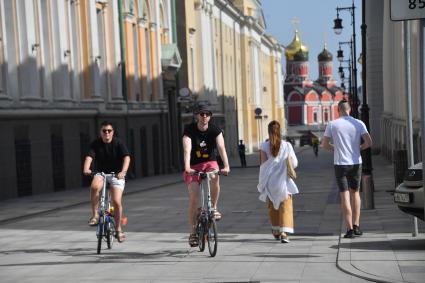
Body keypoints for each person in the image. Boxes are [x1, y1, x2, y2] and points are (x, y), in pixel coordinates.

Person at [322, 100, 372, 238]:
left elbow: (324, 145)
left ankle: (349, 229)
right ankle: (356, 226)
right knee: (355, 194)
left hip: (340, 164)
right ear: (349, 109)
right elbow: (368, 142)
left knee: (344, 196)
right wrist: (357, 149)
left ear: (338, 110)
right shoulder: (358, 123)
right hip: (356, 163)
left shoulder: (332, 124)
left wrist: (335, 148)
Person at [182, 104, 230, 247]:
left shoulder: (215, 129)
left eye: (207, 114)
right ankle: (192, 232)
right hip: (193, 166)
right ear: (196, 115)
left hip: (210, 162)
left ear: (210, 116)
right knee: (194, 198)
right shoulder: (189, 129)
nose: (204, 117)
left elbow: (221, 147)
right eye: (201, 114)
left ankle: (214, 207)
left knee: (215, 176)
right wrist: (187, 167)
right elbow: (187, 149)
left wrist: (226, 165)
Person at [83, 121, 131, 243]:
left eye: (109, 131)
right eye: (104, 131)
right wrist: (86, 168)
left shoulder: (118, 143)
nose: (107, 133)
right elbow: (89, 156)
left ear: (113, 132)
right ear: (101, 132)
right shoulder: (96, 144)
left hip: (116, 174)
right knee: (94, 187)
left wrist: (123, 172)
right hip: (101, 173)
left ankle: (118, 229)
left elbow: (127, 157)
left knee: (116, 201)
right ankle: (95, 215)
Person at [257, 120, 299, 243]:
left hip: (271, 183)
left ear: (269, 131)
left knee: (272, 206)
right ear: (279, 131)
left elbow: (263, 167)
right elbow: (295, 163)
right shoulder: (287, 146)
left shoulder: (264, 146)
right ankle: (284, 233)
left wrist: (262, 184)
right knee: (285, 206)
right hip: (283, 181)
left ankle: (275, 230)